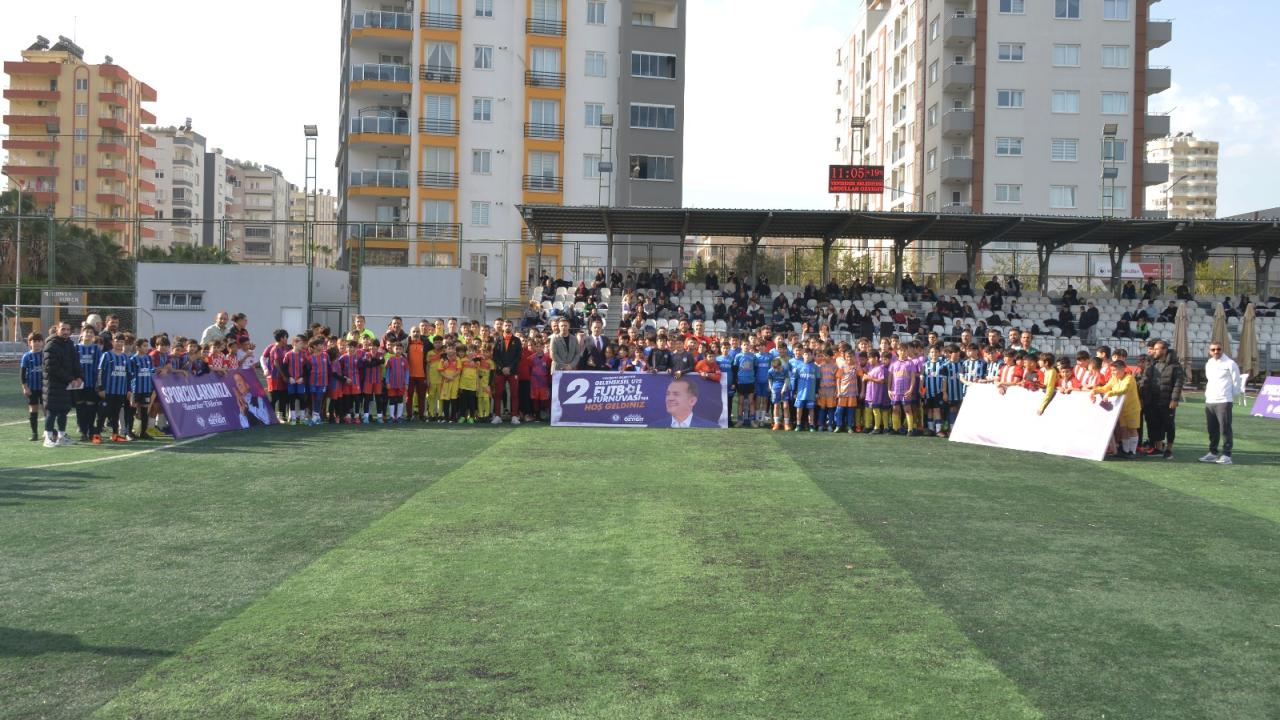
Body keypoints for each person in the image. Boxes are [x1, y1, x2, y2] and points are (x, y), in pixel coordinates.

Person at [1139, 339, 1183, 460]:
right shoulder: (1151, 362)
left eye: (1157, 349)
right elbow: (1144, 379)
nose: (1154, 350)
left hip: (1166, 400)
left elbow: (1178, 384)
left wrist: (1174, 399)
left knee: (1169, 425)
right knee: (1153, 424)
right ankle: (1158, 448)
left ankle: (1169, 449)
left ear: (1164, 350)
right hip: (1151, 399)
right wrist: (1143, 396)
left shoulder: (1174, 365)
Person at [1199, 343, 1241, 465]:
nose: (1216, 351)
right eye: (1213, 349)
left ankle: (1227, 455)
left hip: (1224, 400)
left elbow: (1236, 382)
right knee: (1212, 429)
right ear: (1209, 351)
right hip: (1210, 400)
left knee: (1225, 428)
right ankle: (1212, 453)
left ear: (1223, 349)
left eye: (1218, 349)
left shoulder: (1230, 363)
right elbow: (1210, 380)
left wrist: (1229, 397)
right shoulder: (1209, 363)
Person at [648, 376, 720, 429]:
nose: (670, 398)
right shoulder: (654, 427)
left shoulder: (710, 428)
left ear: (692, 401)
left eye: (676, 394)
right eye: (668, 394)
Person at [492, 320, 522, 424]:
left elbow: (518, 357)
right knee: (498, 394)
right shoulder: (498, 339)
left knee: (514, 394)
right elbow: (495, 356)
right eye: (506, 325)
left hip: (513, 371)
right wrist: (502, 367)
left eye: (509, 325)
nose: (507, 327)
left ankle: (514, 416)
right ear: (503, 327)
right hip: (500, 372)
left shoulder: (517, 340)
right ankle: (497, 416)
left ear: (512, 327)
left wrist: (509, 367)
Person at [20, 332, 44, 442]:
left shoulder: (45, 355)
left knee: (47, 409)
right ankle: (34, 433)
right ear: (29, 343)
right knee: (33, 409)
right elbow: (22, 374)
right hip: (32, 388)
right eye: (34, 341)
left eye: (39, 341)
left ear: (42, 343)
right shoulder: (26, 356)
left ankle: (47, 431)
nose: (37, 343)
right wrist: (25, 387)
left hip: (44, 387)